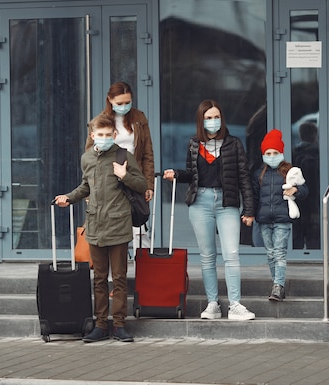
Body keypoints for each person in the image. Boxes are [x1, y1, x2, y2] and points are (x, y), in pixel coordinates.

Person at [55, 114, 147, 343]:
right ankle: (100, 324)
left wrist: (125, 176)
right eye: (100, 135)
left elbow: (142, 185)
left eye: (108, 135)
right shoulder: (87, 158)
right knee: (98, 278)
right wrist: (69, 197)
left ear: (114, 135)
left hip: (118, 224)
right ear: (92, 135)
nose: (104, 138)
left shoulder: (123, 155)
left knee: (119, 278)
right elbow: (86, 186)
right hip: (95, 224)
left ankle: (119, 324)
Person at [163, 99, 256, 321]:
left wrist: (249, 209)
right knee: (207, 257)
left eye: (216, 117)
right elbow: (191, 173)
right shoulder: (194, 143)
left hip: (227, 203)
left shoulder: (233, 144)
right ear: (201, 121)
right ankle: (212, 304)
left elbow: (243, 177)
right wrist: (176, 174)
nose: (213, 122)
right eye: (208, 118)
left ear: (222, 119)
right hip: (201, 202)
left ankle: (235, 305)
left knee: (231, 255)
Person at [86, 81, 155, 258]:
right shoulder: (100, 121)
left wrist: (148, 184)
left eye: (127, 102)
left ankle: (144, 278)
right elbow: (90, 158)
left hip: (133, 179)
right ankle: (112, 280)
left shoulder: (139, 118)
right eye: (120, 103)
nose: (124, 106)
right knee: (108, 231)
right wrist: (89, 191)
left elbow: (147, 154)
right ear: (110, 100)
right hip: (107, 183)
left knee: (140, 230)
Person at [252, 129, 308, 301]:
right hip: (264, 219)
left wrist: (296, 190)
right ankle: (276, 283)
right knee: (270, 253)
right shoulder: (258, 174)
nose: (271, 156)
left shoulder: (290, 172)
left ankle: (278, 286)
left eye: (275, 152)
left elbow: (305, 190)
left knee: (279, 253)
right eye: (268, 153)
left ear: (281, 153)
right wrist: (250, 214)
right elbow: (254, 197)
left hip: (282, 219)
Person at [292, 121, 320, 249]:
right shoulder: (318, 154)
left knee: (297, 228)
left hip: (296, 196)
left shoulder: (293, 153)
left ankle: (295, 252)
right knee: (313, 229)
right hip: (314, 197)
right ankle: (315, 252)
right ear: (314, 135)